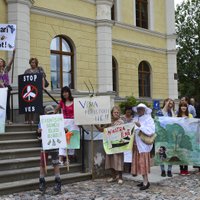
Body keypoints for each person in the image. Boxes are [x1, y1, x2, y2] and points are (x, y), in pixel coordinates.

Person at [95, 106, 124, 184]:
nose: (116, 114)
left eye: (118, 112)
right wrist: (95, 124)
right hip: (110, 144)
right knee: (110, 160)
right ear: (112, 113)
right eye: (115, 112)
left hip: (118, 144)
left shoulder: (121, 122)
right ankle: (114, 176)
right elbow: (101, 130)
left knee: (118, 161)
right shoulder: (109, 122)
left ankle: (120, 177)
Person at [131, 103, 155, 190]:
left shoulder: (149, 119)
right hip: (136, 144)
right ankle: (144, 180)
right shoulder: (136, 118)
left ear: (144, 110)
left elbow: (151, 131)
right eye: (138, 109)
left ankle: (146, 182)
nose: (139, 110)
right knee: (140, 164)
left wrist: (140, 126)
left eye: (141, 109)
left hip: (144, 145)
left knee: (143, 163)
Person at [38, 105, 61, 194]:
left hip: (54, 144)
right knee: (43, 163)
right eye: (48, 113)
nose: (50, 115)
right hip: (45, 144)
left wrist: (64, 130)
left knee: (55, 163)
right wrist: (39, 130)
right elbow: (39, 131)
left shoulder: (57, 120)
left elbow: (60, 129)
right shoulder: (43, 121)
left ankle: (58, 181)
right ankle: (42, 181)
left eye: (51, 113)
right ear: (45, 113)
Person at [54, 86, 75, 165]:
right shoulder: (62, 102)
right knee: (63, 140)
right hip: (64, 123)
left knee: (71, 141)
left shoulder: (74, 101)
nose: (65, 94)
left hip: (73, 123)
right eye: (63, 92)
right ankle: (60, 158)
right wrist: (50, 117)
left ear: (69, 92)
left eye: (66, 92)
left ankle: (68, 158)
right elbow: (56, 110)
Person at [24, 57, 46, 124]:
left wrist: (43, 86)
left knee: (36, 104)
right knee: (28, 105)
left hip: (37, 90)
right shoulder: (27, 71)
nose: (32, 64)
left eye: (33, 62)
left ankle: (34, 120)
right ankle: (27, 120)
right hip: (28, 90)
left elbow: (43, 78)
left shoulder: (39, 69)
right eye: (31, 62)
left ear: (36, 63)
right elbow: (23, 80)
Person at [156, 98, 175, 177]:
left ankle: (169, 170)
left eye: (171, 103)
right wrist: (166, 105)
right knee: (161, 153)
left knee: (170, 152)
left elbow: (175, 120)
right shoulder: (159, 112)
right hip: (162, 136)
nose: (170, 104)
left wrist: (172, 109)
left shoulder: (171, 112)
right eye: (168, 103)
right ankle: (163, 170)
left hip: (170, 136)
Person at [177, 101, 193, 175]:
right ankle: (181, 170)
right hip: (179, 138)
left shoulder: (190, 116)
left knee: (186, 153)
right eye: (182, 106)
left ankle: (185, 170)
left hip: (187, 137)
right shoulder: (177, 116)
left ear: (187, 107)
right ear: (180, 107)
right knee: (180, 153)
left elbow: (192, 126)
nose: (183, 107)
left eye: (185, 106)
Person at [0, 49, 15, 124]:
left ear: (3, 63)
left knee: (7, 103)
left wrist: (13, 54)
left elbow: (10, 63)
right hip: (0, 89)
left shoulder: (5, 70)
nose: (0, 62)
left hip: (6, 88)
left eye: (1, 61)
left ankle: (8, 119)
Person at [121, 106, 134, 173]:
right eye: (127, 111)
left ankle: (130, 169)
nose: (128, 113)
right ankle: (122, 169)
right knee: (123, 153)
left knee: (130, 154)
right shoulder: (122, 118)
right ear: (125, 111)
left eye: (130, 112)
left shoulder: (133, 118)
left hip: (131, 138)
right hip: (123, 137)